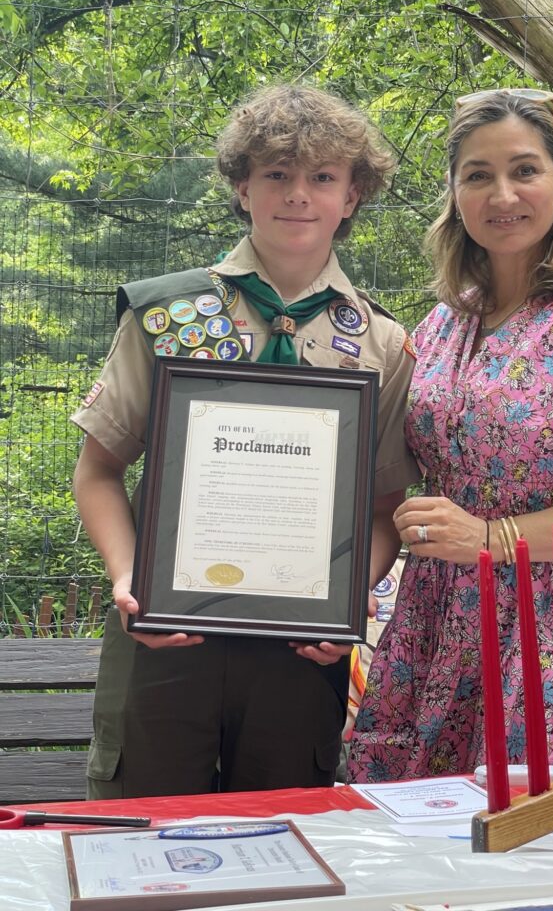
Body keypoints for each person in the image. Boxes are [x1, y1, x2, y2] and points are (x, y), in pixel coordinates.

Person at [71, 83, 418, 798]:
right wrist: (129, 578)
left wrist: (352, 599)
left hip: (300, 652)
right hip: (163, 637)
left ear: (352, 196)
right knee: (143, 848)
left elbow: (385, 509)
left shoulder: (383, 345)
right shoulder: (169, 314)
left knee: (289, 850)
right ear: (241, 187)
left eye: (322, 177)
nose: (298, 194)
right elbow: (98, 470)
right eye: (276, 175)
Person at [347, 87, 553, 783]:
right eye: (478, 175)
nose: (502, 194)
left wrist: (492, 540)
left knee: (548, 841)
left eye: (524, 170)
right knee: (429, 846)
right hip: (441, 615)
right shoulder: (445, 323)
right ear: (455, 194)